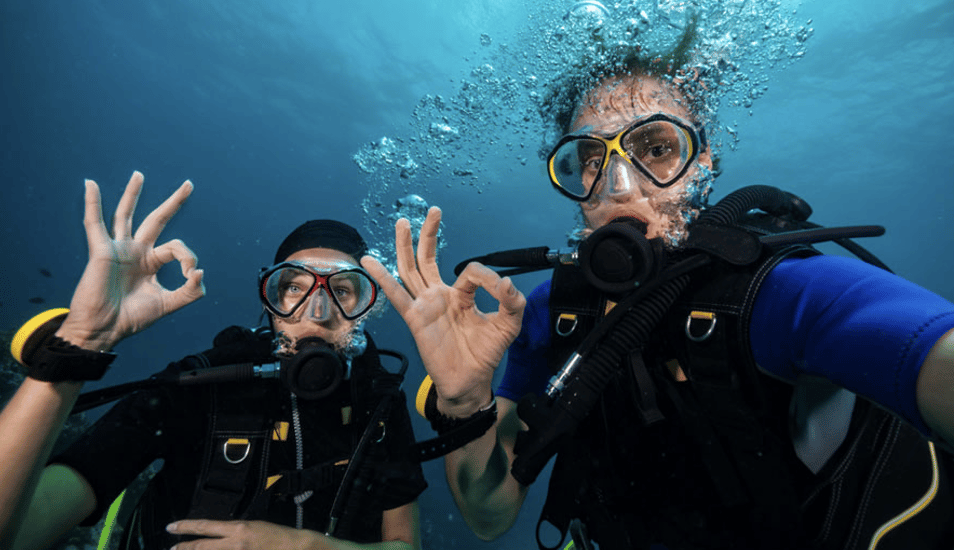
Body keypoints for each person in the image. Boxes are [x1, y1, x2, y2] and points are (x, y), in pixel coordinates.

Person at [361, 38, 954, 549]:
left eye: (657, 150)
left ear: (703, 163)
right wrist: (466, 405)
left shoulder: (777, 291)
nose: (620, 188)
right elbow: (489, 517)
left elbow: (930, 351)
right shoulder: (548, 314)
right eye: (590, 160)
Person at [0, 171, 426, 550]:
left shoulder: (380, 404)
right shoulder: (202, 384)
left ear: (367, 309)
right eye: (294, 287)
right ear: (270, 302)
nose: (317, 311)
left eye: (344, 291)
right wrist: (81, 344)